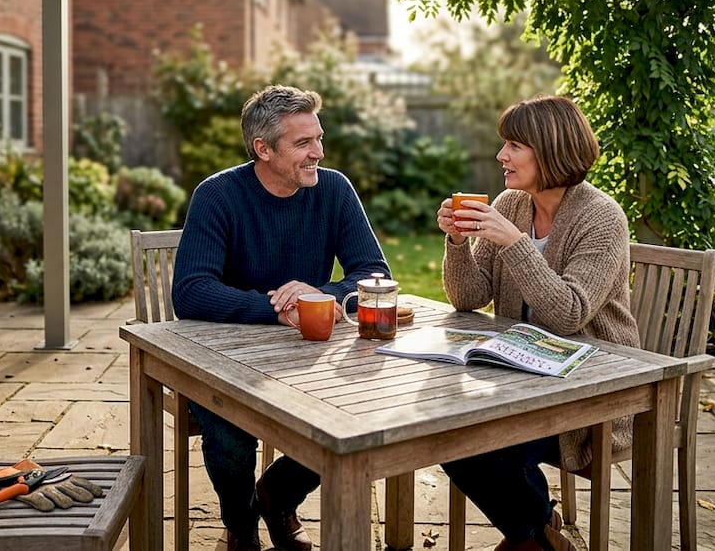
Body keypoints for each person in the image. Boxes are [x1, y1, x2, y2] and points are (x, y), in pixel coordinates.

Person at [172, 84, 390, 551]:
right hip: (225, 357)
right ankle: (242, 522)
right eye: (303, 143)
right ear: (263, 149)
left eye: (319, 138)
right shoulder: (217, 195)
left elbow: (373, 272)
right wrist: (278, 308)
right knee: (230, 429)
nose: (319, 152)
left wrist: (320, 294)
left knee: (365, 408)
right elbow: (190, 291)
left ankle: (277, 496)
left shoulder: (334, 189)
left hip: (305, 351)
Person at [435, 94, 639, 551]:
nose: (500, 156)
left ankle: (531, 537)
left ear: (550, 150)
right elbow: (469, 297)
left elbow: (568, 314)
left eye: (513, 145)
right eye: (503, 144)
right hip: (521, 378)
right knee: (443, 430)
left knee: (488, 448)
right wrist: (456, 242)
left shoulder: (601, 217)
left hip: (591, 390)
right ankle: (540, 532)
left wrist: (515, 245)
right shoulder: (511, 205)